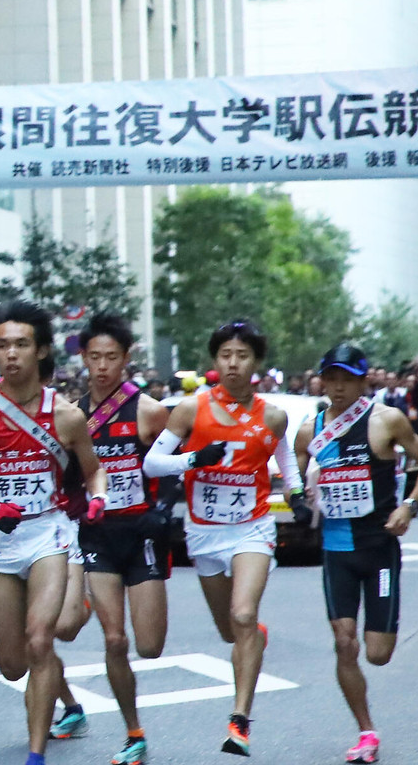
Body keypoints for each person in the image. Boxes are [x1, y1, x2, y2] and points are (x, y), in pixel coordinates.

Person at [0, 301, 105, 765]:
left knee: (40, 639)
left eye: (21, 344)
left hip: (48, 536)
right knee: (13, 665)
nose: (10, 354)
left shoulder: (67, 416)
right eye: (2, 345)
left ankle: (35, 754)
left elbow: (95, 473)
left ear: (42, 351)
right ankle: (74, 610)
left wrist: (97, 498)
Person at [143, 320, 305, 757]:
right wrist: (194, 458)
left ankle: (239, 721)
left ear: (256, 363)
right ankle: (253, 635)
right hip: (204, 533)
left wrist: (298, 495)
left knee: (243, 612)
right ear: (215, 361)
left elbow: (286, 467)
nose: (233, 364)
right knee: (231, 631)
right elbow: (152, 464)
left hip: (251, 528)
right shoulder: (190, 410)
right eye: (226, 356)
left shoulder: (272, 415)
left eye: (243, 356)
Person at [295, 343, 418, 764]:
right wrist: (302, 494)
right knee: (345, 643)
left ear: (362, 382)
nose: (338, 388)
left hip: (378, 550)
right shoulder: (311, 428)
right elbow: (294, 467)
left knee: (377, 654)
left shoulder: (385, 420)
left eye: (347, 380)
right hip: (336, 550)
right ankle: (366, 731)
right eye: (331, 379)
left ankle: (383, 628)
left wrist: (408, 506)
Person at [66, 314, 172, 765]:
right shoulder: (72, 416)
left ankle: (92, 597)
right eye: (95, 357)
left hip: (141, 534)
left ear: (126, 359)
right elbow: (67, 473)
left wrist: (162, 510)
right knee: (115, 640)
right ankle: (133, 733)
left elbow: (174, 465)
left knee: (149, 645)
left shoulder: (148, 410)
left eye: (112, 357)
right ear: (83, 358)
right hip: (97, 535)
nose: (103, 366)